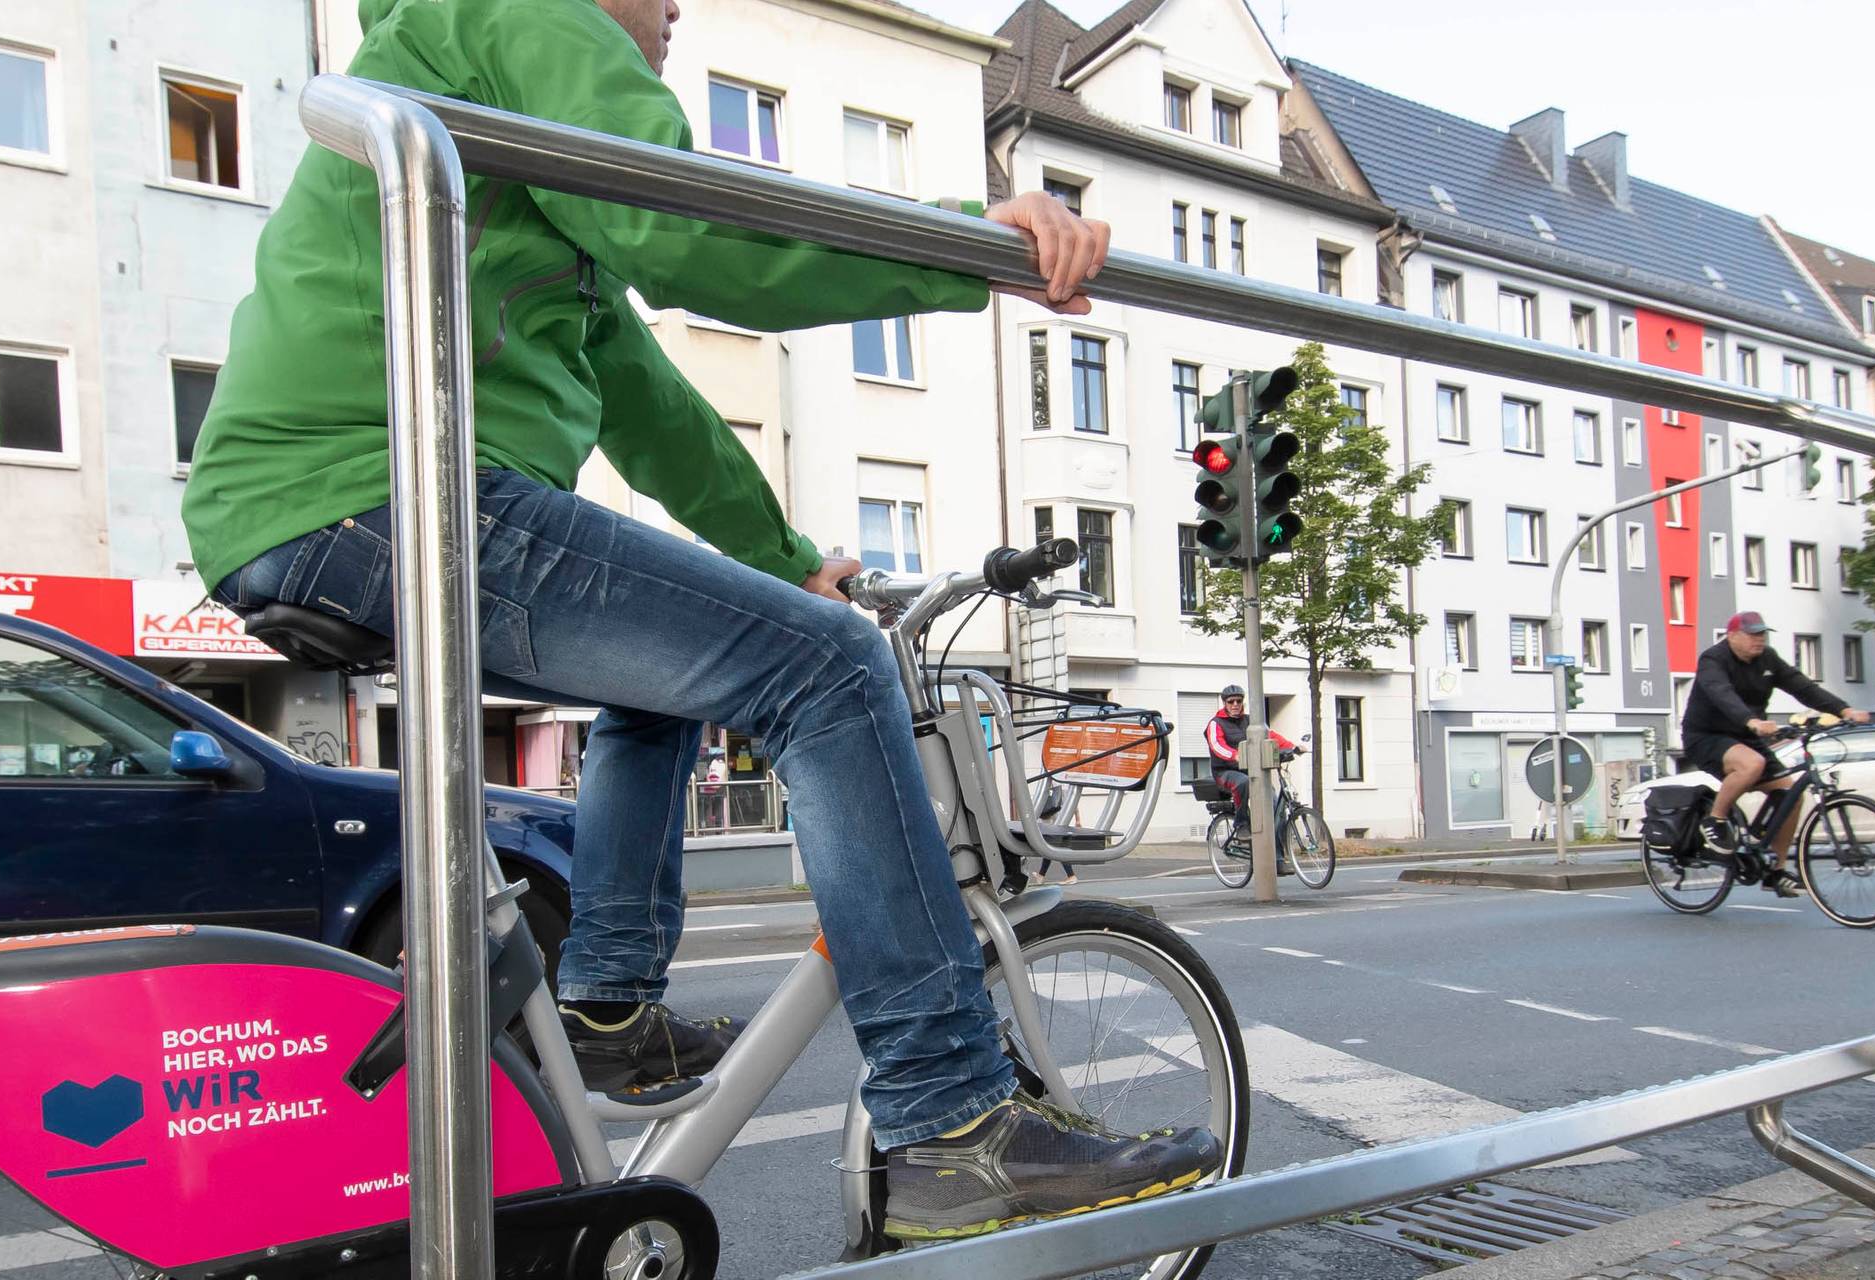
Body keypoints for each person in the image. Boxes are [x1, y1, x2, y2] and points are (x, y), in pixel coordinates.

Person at [180, 0, 1214, 1240]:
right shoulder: (527, 9)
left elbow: (652, 402)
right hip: (382, 488)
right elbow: (690, 228)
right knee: (827, 670)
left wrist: (786, 562)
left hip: (340, 501)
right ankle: (952, 1123)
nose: (672, 14)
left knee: (670, 675)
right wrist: (963, 241)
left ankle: (608, 1004)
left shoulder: (520, 172)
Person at [1681, 612, 1870, 896]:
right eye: (1752, 634)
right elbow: (1722, 694)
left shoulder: (1767, 659)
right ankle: (1715, 820)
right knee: (1751, 764)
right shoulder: (1713, 659)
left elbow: (1802, 686)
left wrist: (1843, 710)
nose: (1759, 640)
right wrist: (1752, 720)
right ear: (1732, 636)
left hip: (1748, 736)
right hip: (1707, 736)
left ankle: (1775, 871)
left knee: (1791, 795)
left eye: (1762, 634)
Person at [1203, 685, 1296, 819]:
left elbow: (1270, 735)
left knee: (1271, 797)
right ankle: (1241, 823)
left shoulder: (1250, 721)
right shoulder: (1215, 723)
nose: (1235, 704)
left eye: (1239, 701)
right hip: (1224, 772)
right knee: (1243, 782)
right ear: (1224, 703)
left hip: (1249, 768)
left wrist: (1293, 747)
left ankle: (1278, 837)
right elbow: (1217, 745)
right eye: (1231, 701)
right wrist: (1234, 755)